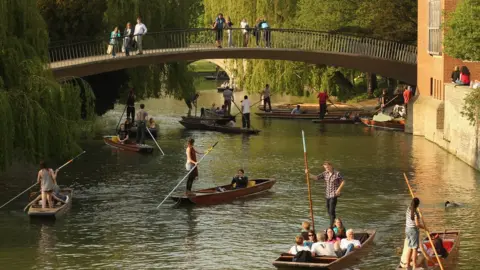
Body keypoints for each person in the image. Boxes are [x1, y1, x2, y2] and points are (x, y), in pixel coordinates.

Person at [306, 161, 345, 227]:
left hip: (334, 194)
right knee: (329, 211)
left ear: (331, 166)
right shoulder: (325, 173)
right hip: (327, 195)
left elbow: (343, 182)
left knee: (331, 210)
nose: (326, 169)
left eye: (327, 167)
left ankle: (331, 226)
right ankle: (334, 224)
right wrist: (308, 174)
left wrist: (338, 189)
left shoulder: (337, 173)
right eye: (325, 168)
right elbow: (316, 177)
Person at [405, 197, 425, 269]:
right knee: (415, 248)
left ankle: (407, 265)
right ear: (417, 205)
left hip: (407, 229)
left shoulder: (408, 209)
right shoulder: (415, 213)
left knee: (410, 247)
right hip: (413, 231)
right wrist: (424, 227)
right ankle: (414, 266)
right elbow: (417, 224)